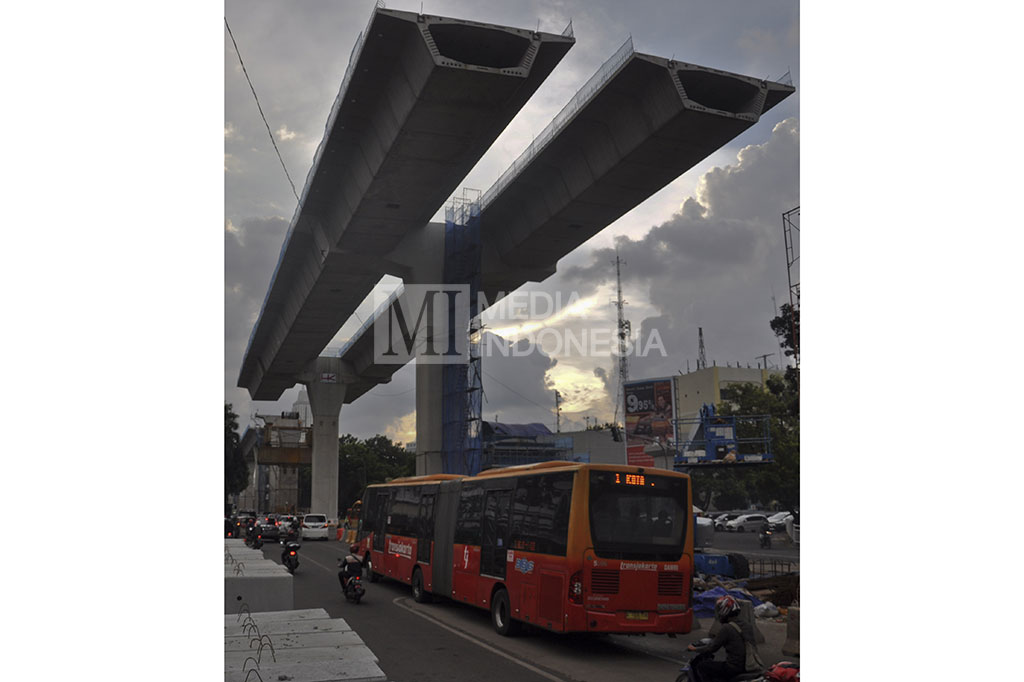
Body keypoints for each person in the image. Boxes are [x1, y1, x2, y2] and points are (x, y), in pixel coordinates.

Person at [687, 595, 760, 681]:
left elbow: (712, 648)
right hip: (749, 665)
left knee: (702, 666)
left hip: (733, 667)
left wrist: (695, 648)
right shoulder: (747, 625)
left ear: (724, 610)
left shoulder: (727, 628)